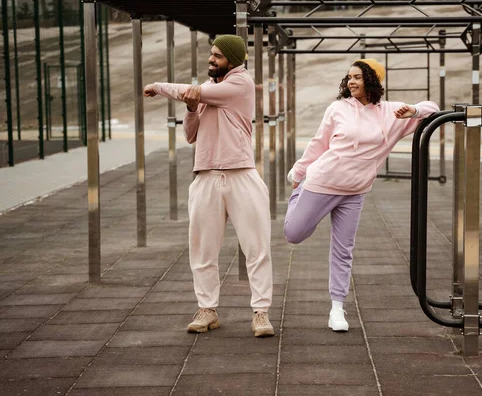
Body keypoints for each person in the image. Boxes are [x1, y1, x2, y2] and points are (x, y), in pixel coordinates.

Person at [284, 58, 439, 332]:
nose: (351, 82)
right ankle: (298, 197)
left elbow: (433, 110)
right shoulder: (338, 108)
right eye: (349, 77)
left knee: (344, 250)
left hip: (355, 191)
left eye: (357, 77)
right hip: (322, 182)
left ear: (372, 80)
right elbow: (319, 142)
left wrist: (413, 111)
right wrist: (299, 173)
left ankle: (337, 309)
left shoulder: (392, 113)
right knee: (294, 234)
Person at [143, 34, 275, 337]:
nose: (210, 60)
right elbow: (191, 136)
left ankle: (261, 313)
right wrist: (190, 110)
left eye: (217, 55)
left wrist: (159, 87)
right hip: (205, 177)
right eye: (210, 54)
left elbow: (188, 91)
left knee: (257, 248)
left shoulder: (239, 83)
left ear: (232, 58)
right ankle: (207, 309)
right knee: (202, 249)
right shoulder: (208, 92)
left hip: (241, 176)